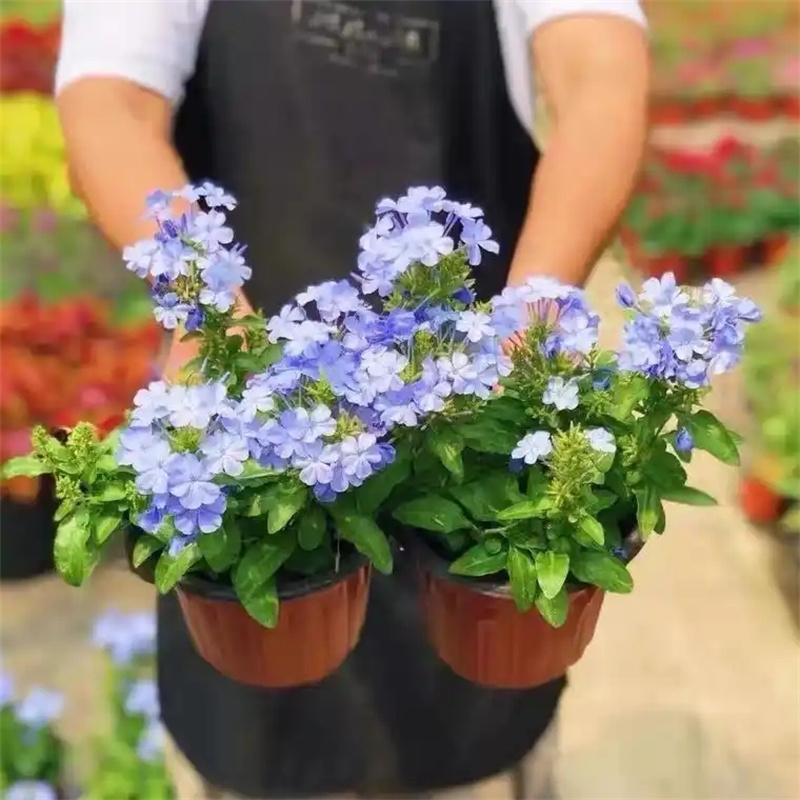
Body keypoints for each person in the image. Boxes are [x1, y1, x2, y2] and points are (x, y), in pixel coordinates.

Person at [55, 1, 649, 797]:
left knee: (474, 713)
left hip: (462, 406)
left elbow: (600, 74)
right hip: (255, 410)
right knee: (259, 705)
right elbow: (109, 100)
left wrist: (530, 317)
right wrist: (206, 307)